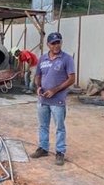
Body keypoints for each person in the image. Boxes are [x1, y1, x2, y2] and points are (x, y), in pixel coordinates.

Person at [31, 32, 76, 166]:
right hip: (43, 99)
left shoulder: (66, 59)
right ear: (48, 45)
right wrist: (38, 87)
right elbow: (37, 75)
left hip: (58, 100)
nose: (56, 45)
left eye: (58, 42)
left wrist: (55, 90)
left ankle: (60, 152)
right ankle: (43, 148)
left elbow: (72, 79)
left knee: (59, 127)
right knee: (43, 125)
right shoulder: (43, 59)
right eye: (53, 43)